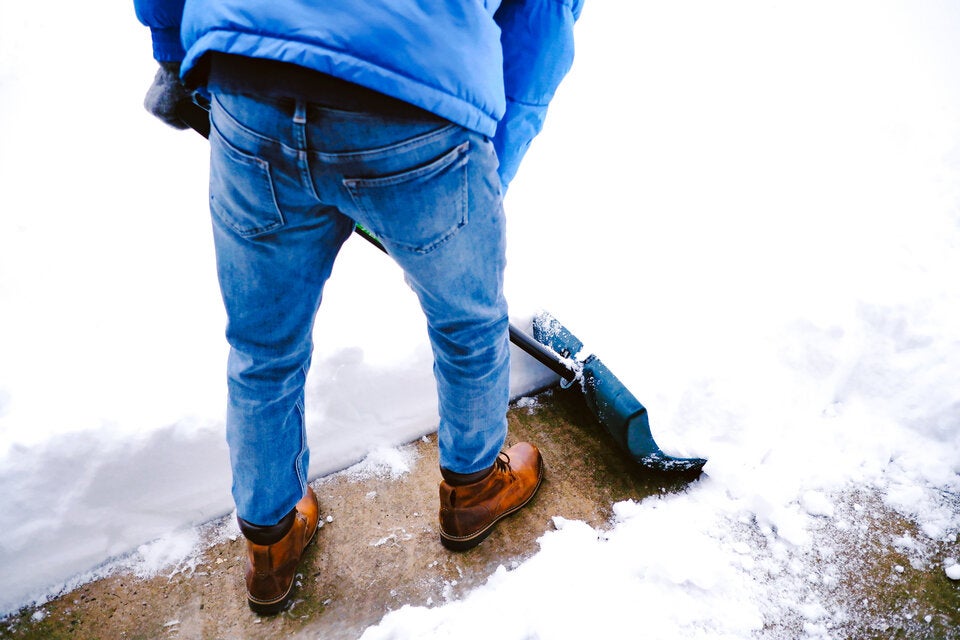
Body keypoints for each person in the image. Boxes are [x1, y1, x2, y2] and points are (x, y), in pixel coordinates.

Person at [134, 0, 583, 615]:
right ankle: (474, 488)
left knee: (263, 347)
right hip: (415, 107)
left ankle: (270, 544)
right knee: (468, 325)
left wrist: (172, 53)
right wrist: (475, 173)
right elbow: (542, 16)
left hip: (250, 82)